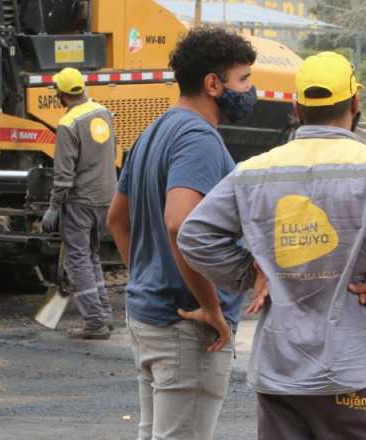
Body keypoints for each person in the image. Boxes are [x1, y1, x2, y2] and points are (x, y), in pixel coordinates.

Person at [177, 51, 366, 440]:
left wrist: (250, 273)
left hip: (280, 376)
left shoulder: (253, 171)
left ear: (297, 108)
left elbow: (194, 236)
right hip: (356, 370)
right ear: (355, 103)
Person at [105, 27, 258, 439]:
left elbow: (116, 219)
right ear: (213, 84)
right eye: (243, 79)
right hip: (187, 326)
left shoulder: (153, 131)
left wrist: (146, 275)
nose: (250, 89)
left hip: (150, 316)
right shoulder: (199, 139)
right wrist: (210, 305)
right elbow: (180, 224)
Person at [42, 67, 117, 340]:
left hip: (80, 201)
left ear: (60, 94)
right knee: (91, 256)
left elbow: (63, 174)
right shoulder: (103, 113)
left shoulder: (68, 124)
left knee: (78, 260)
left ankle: (95, 322)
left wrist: (54, 206)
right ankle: (104, 314)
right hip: (105, 197)